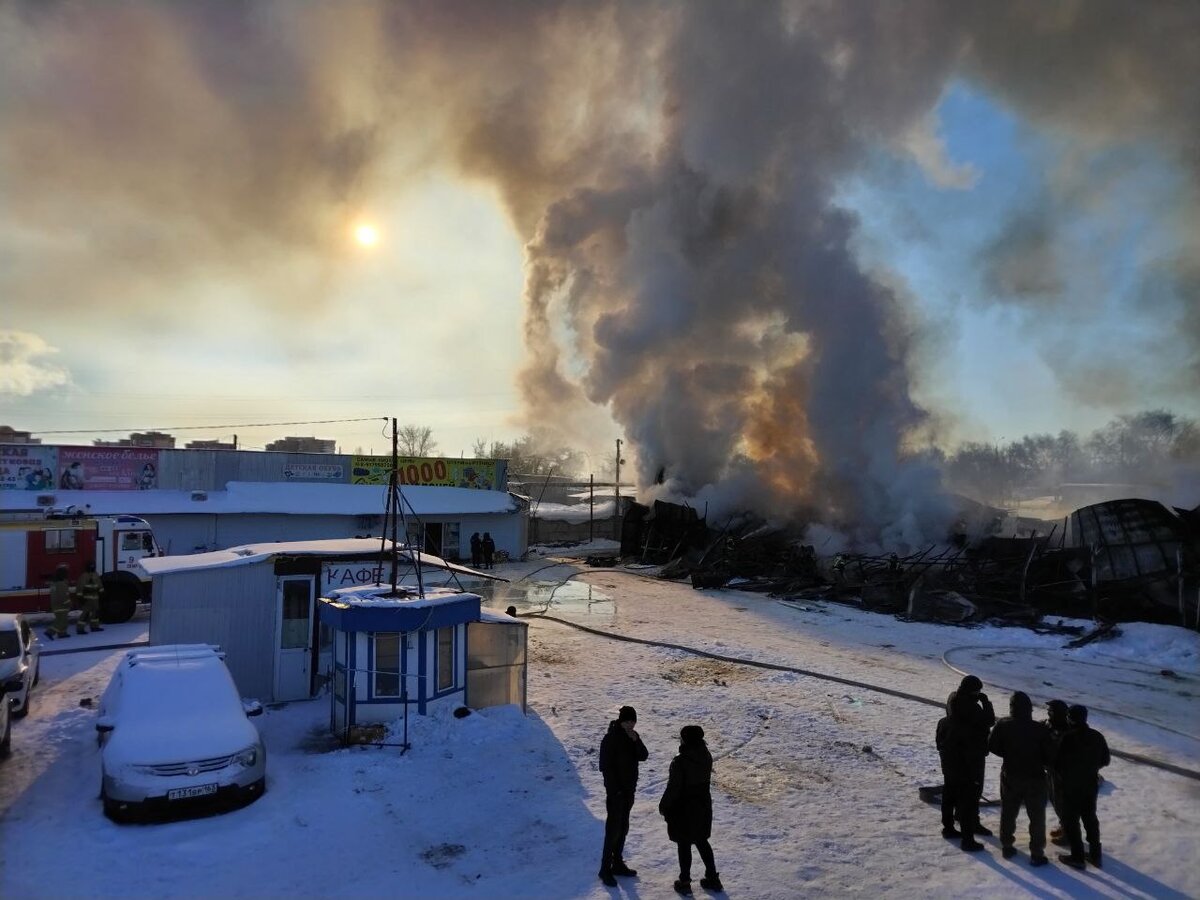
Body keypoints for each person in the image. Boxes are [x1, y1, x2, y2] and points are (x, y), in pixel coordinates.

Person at [987, 691, 1052, 865]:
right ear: (1029, 708)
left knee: (1008, 812)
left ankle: (1007, 845)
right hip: (1036, 778)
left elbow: (992, 746)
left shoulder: (1003, 725)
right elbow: (1049, 756)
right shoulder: (1040, 729)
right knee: (1037, 817)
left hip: (1011, 775)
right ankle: (1037, 852)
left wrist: (1008, 753)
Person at [659, 725, 723, 896]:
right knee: (702, 841)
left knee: (684, 843)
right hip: (702, 805)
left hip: (684, 807)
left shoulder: (680, 762)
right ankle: (712, 877)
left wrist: (664, 806)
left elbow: (673, 788)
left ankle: (685, 881)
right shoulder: (706, 755)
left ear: (685, 740)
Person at [598, 705, 648, 886]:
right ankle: (605, 869)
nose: (631, 725)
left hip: (629, 791)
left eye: (633, 721)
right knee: (613, 830)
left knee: (623, 828)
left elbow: (643, 756)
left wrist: (636, 741)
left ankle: (617, 863)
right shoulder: (610, 739)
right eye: (628, 721)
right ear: (621, 721)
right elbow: (605, 767)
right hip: (616, 793)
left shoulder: (633, 737)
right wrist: (614, 791)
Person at [1056, 705, 1110, 870]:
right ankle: (1095, 854)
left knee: (1071, 821)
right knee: (1090, 818)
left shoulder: (1067, 738)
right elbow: (1105, 760)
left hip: (1071, 785)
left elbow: (1056, 762)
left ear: (1069, 718)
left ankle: (1077, 856)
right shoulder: (1097, 736)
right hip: (1090, 784)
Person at [939, 690, 989, 851]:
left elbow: (939, 743)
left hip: (948, 768)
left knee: (948, 799)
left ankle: (948, 829)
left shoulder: (943, 722)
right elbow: (975, 749)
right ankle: (968, 840)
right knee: (967, 805)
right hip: (966, 772)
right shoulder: (968, 727)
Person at [1044, 699, 1071, 845]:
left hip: (1064, 773)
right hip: (1051, 770)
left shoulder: (1068, 730)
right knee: (1055, 800)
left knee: (1064, 803)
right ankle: (1064, 826)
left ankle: (1068, 833)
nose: (1048, 713)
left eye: (1051, 710)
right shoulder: (1046, 725)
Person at [76, 561, 105, 635]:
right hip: (87, 599)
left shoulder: (96, 574)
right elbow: (80, 587)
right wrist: (80, 597)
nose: (92, 567)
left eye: (93, 566)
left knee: (96, 613)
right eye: (90, 566)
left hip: (95, 598)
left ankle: (94, 627)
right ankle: (80, 629)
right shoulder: (84, 576)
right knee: (85, 614)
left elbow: (100, 584)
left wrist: (102, 593)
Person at [45, 564, 72, 640]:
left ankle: (62, 633)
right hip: (62, 606)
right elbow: (63, 596)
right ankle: (50, 632)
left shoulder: (54, 583)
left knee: (62, 620)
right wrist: (69, 603)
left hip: (56, 605)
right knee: (61, 621)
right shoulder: (61, 584)